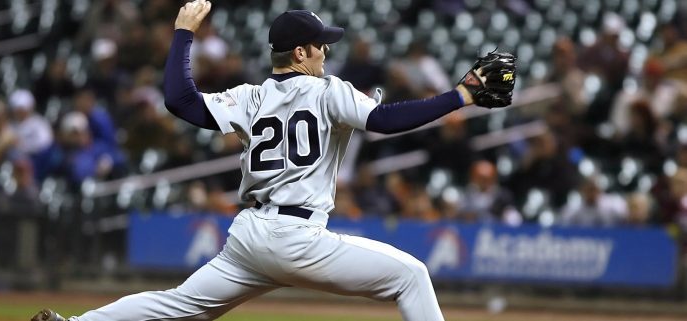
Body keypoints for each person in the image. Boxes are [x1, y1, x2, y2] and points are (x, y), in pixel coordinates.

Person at [32, 2, 515, 321]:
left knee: (180, 306)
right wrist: (461, 94)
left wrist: (182, 34)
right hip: (299, 237)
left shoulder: (250, 96)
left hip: (250, 237)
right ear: (301, 51)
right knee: (412, 276)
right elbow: (386, 121)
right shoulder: (328, 90)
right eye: (322, 43)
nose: (327, 50)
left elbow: (180, 101)